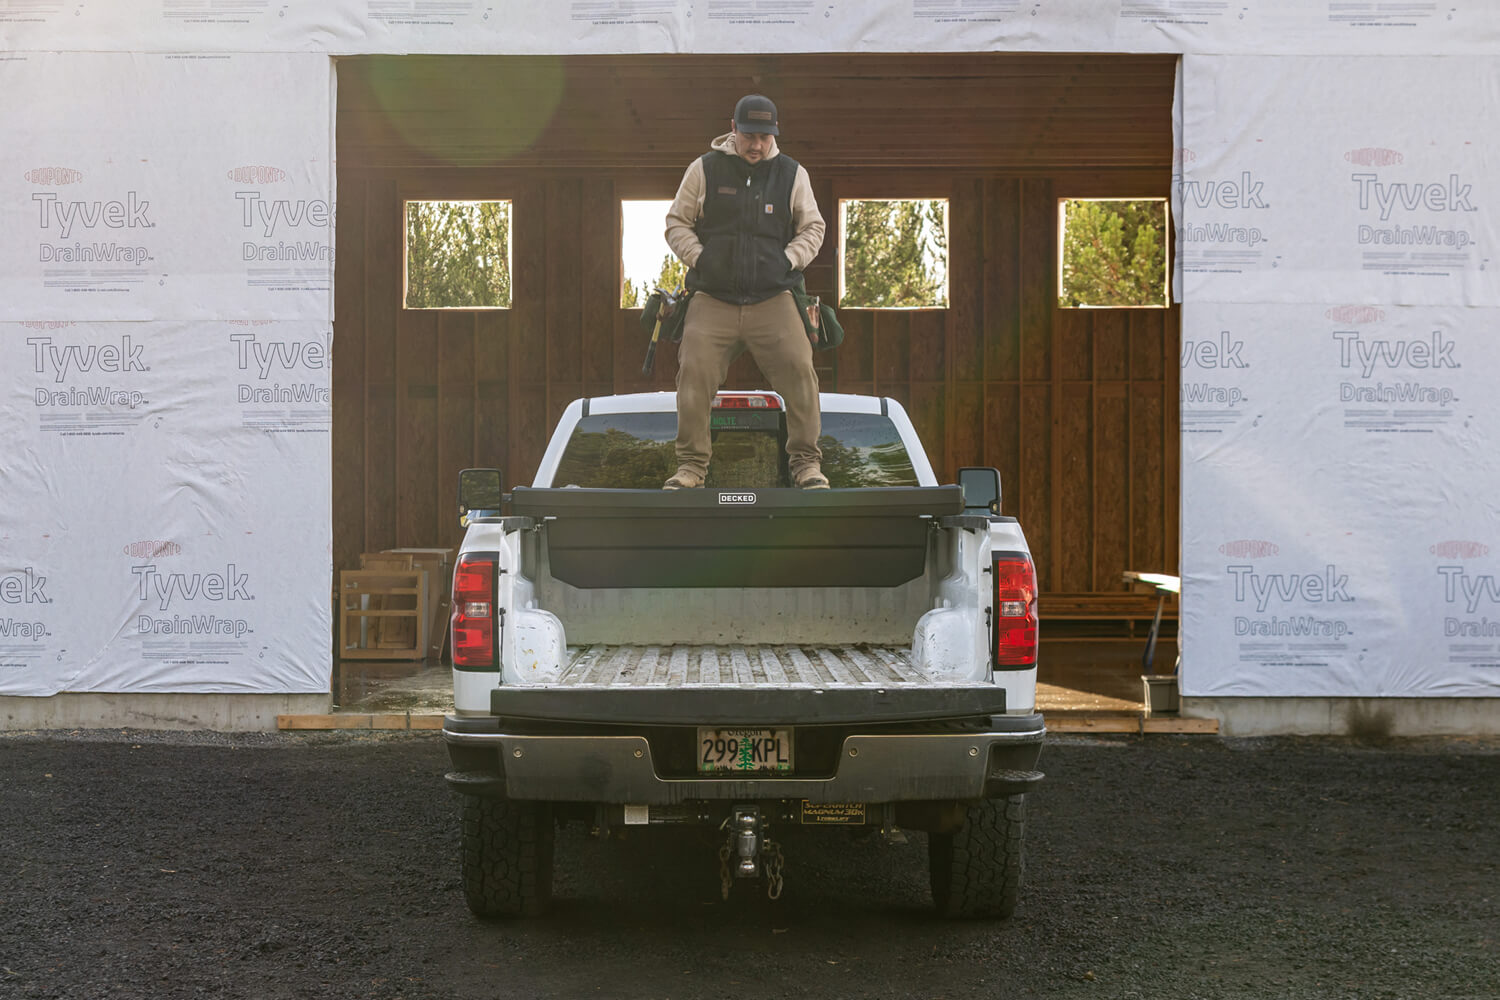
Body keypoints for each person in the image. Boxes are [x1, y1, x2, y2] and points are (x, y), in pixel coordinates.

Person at [662, 93, 828, 490]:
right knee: (694, 371)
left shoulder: (792, 174)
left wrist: (788, 261)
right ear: (733, 129)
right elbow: (676, 223)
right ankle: (691, 468)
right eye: (750, 135)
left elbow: (814, 228)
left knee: (801, 368)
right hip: (712, 297)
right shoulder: (703, 169)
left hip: (774, 297)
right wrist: (700, 259)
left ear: (775, 135)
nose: (757, 145)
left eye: (765, 137)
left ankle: (806, 464)